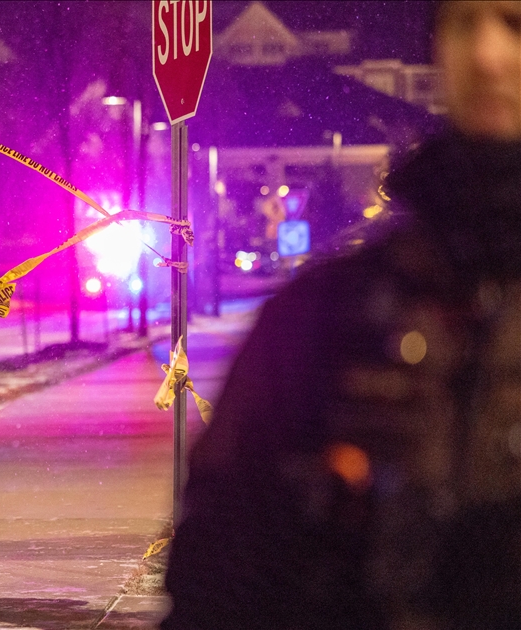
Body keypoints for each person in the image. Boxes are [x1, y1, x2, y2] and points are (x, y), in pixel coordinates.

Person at [162, 2, 520, 629]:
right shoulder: (333, 311)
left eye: (515, 23)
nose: (486, 56)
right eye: (463, 23)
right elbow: (221, 568)